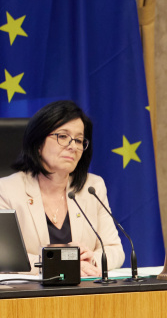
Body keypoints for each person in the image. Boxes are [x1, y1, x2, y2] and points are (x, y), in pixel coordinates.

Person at [0, 100, 125, 275]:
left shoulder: (92, 187)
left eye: (79, 140)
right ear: (38, 144)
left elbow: (115, 250)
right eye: (63, 136)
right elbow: (6, 258)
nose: (73, 146)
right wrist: (62, 263)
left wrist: (93, 259)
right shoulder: (6, 190)